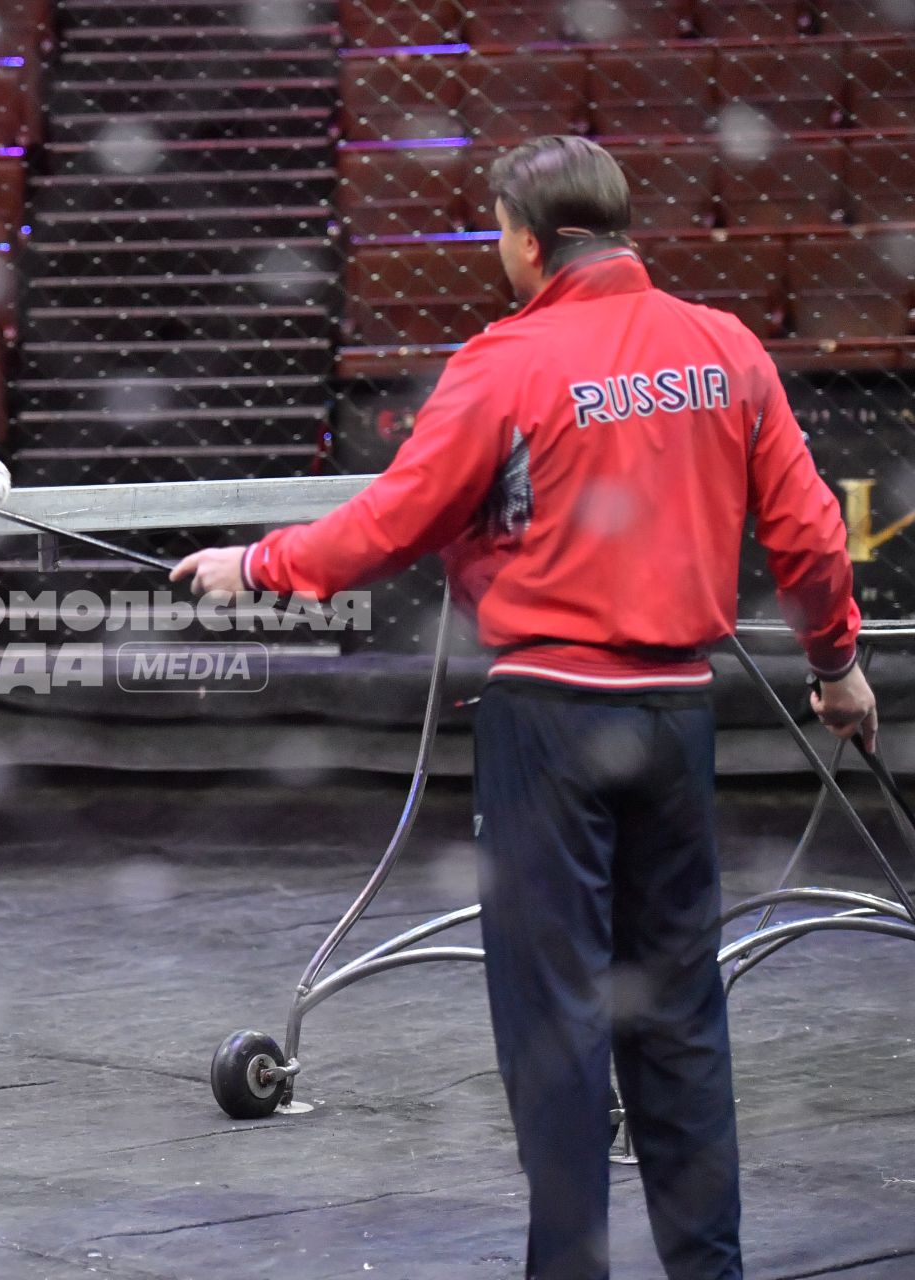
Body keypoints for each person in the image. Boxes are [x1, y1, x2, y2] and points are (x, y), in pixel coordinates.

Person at [173, 136, 874, 1279]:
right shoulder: (726, 346)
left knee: (558, 1024)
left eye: (499, 231)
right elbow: (805, 530)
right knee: (682, 1014)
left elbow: (389, 522)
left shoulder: (507, 361)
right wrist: (837, 661)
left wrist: (254, 566)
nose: (498, 251)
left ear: (534, 241)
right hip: (677, 717)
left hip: (550, 719)